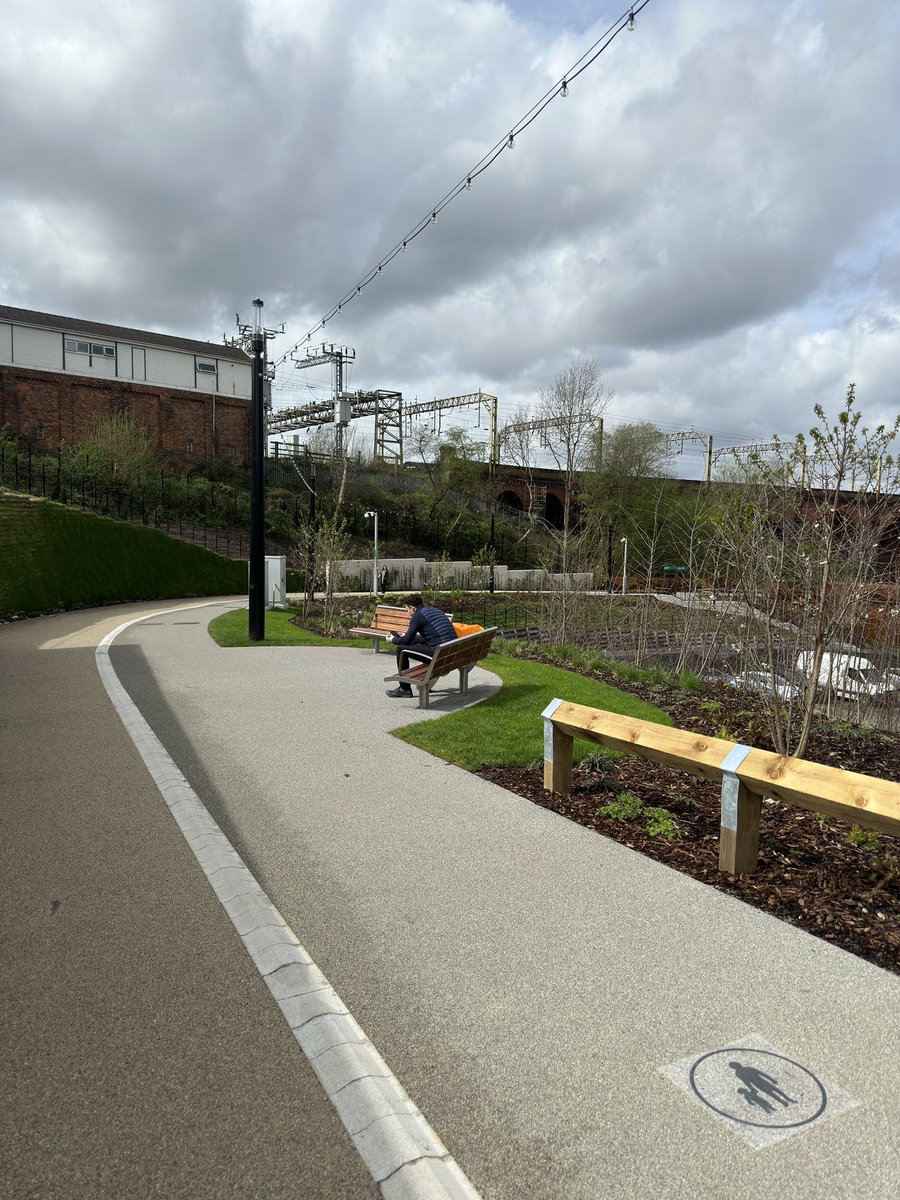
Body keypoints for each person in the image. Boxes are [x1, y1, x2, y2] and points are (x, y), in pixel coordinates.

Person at [385, 594, 457, 698]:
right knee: (413, 644)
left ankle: (404, 689)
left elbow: (406, 641)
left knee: (401, 649)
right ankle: (424, 684)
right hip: (451, 652)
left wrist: (393, 640)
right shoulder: (435, 611)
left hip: (439, 655)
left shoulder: (417, 615)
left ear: (412, 608)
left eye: (407, 609)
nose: (407, 612)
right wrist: (406, 637)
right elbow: (428, 638)